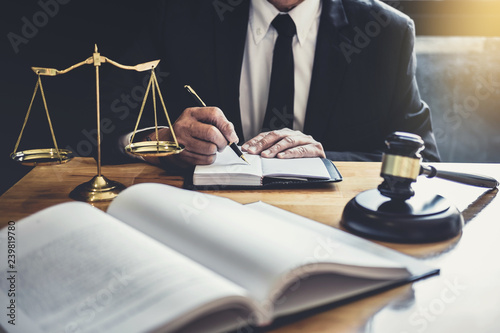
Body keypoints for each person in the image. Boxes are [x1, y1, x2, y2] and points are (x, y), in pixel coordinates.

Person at [111, 0, 440, 170]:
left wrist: (327, 160)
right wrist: (162, 142)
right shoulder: (178, 15)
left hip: (332, 231)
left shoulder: (386, 33)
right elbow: (107, 128)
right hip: (204, 226)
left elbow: (423, 162)